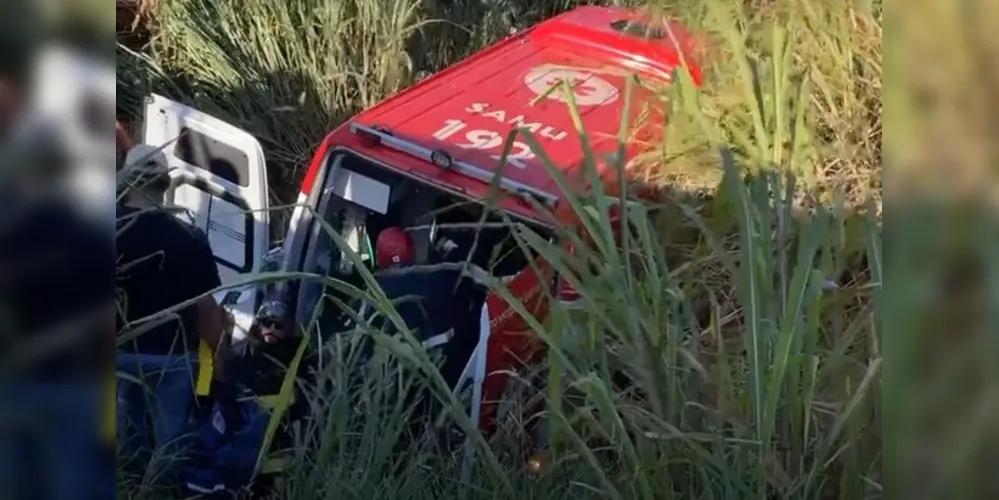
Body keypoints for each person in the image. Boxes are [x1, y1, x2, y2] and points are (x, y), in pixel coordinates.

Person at [115, 144, 233, 468]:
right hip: (173, 360)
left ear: (126, 180)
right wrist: (223, 365)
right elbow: (208, 315)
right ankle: (161, 490)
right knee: (172, 448)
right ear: (165, 184)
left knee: (122, 444)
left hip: (118, 355)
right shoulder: (189, 237)